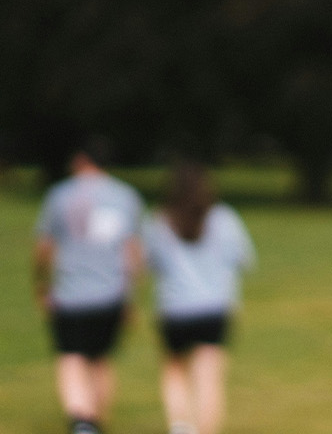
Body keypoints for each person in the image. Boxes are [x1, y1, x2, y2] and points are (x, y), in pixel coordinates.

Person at [33, 139, 145, 434]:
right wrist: (131, 295)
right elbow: (133, 254)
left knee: (71, 358)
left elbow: (44, 247)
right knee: (100, 360)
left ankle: (82, 420)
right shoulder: (125, 196)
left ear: (81, 160)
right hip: (110, 294)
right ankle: (96, 418)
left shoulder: (59, 195)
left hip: (69, 294)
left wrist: (41, 283)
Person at [142, 161, 255, 434]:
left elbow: (147, 264)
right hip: (215, 308)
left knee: (175, 372)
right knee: (209, 380)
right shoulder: (224, 218)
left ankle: (181, 426)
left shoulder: (159, 221)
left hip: (174, 309)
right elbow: (245, 259)